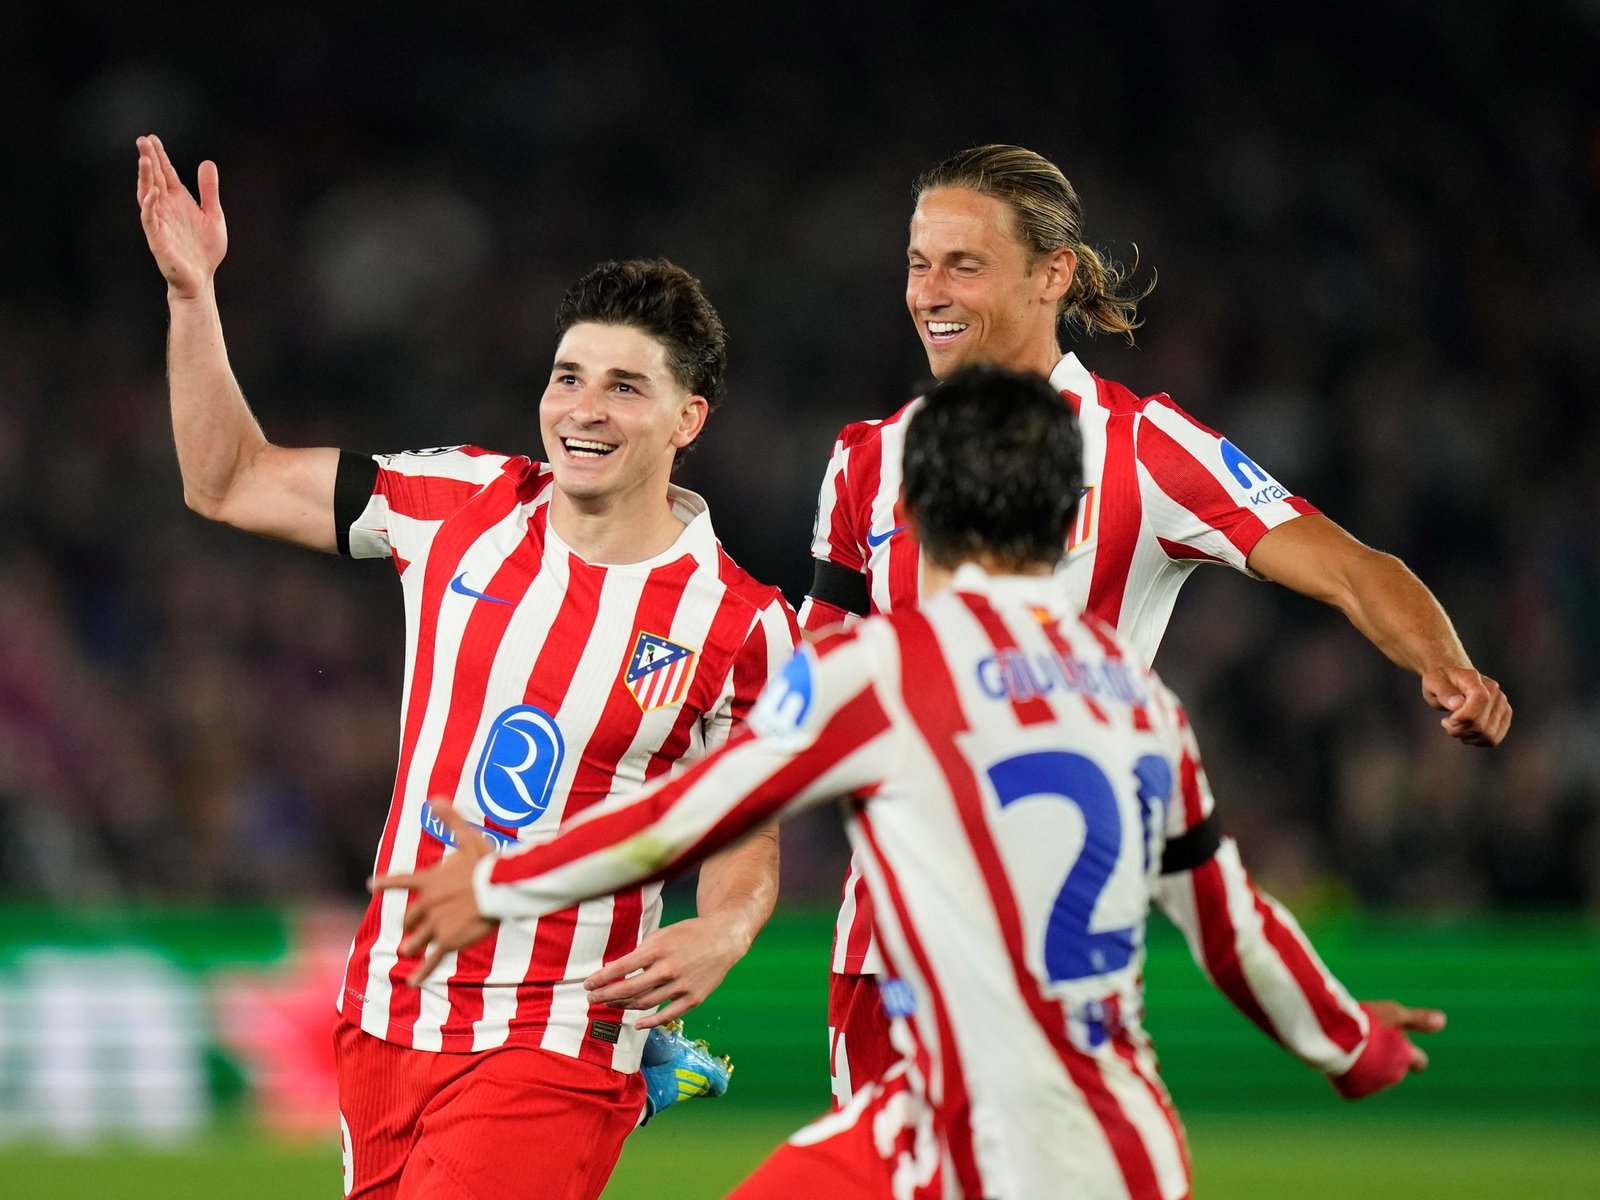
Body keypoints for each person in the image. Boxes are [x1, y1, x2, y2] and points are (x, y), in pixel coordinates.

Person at [374, 365, 1443, 1200]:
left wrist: (502, 887)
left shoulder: (882, 672)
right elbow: (1230, 926)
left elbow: (679, 817)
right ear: (1061, 517)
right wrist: (1351, 1042)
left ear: (922, 511)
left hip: (952, 1131)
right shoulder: (1136, 703)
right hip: (1115, 1143)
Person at [135, 133, 798, 1200]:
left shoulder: (741, 625)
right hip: (385, 1018)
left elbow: (745, 831)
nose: (583, 408)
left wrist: (725, 923)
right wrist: (190, 295)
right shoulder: (456, 505)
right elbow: (228, 480)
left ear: (689, 419)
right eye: (568, 376)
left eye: (625, 387)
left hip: (557, 1042)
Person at [801, 144, 1496, 1106]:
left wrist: (1446, 666)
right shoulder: (867, 462)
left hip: (1057, 962)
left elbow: (1347, 566)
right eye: (919, 263)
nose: (929, 292)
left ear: (1055, 274)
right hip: (886, 954)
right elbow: (806, 680)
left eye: (964, 264)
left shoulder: (1146, 449)